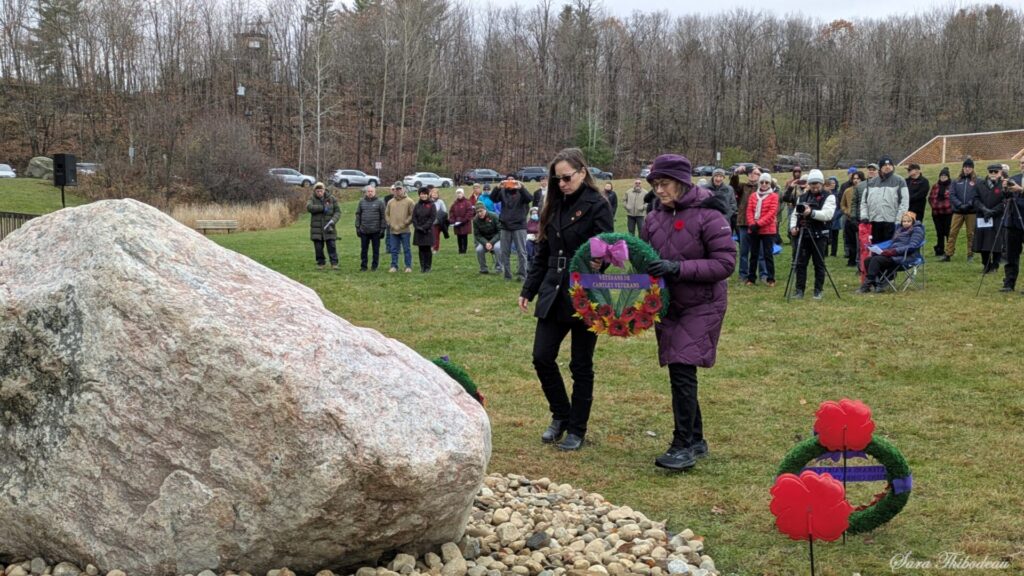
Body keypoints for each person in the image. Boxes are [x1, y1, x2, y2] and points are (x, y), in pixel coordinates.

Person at [641, 153, 735, 471]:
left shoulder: (710, 214)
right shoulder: (653, 218)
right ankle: (696, 438)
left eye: (664, 183)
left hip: (703, 304)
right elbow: (644, 257)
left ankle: (682, 446)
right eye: (655, 184)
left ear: (682, 182)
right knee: (679, 371)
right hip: (669, 305)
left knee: (682, 367)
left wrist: (676, 268)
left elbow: (725, 263)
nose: (659, 190)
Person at [519, 148, 613, 452]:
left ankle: (577, 428)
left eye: (567, 177)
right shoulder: (553, 204)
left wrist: (600, 262)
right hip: (552, 289)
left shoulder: (598, 205)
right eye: (557, 179)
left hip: (585, 292)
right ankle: (561, 414)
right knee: (542, 356)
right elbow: (542, 250)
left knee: (580, 364)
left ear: (582, 173)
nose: (561, 183)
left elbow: (607, 247)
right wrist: (529, 289)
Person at [789, 169, 836, 300]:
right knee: (800, 263)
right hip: (803, 234)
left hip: (819, 234)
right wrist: (793, 227)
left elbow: (828, 215)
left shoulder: (829, 196)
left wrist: (811, 213)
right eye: (812, 183)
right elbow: (795, 214)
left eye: (817, 183)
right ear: (809, 183)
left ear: (821, 183)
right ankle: (799, 290)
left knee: (819, 263)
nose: (815, 186)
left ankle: (818, 290)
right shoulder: (802, 197)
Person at [858, 212, 925, 293]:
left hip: (906, 257)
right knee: (868, 260)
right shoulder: (899, 229)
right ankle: (878, 284)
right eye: (904, 221)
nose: (906, 223)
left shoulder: (917, 230)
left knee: (876, 260)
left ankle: (867, 285)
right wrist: (880, 249)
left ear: (913, 222)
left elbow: (912, 246)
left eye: (908, 221)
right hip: (893, 254)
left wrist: (893, 251)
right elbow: (892, 243)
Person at [490, 176, 534, 281]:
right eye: (508, 180)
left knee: (521, 252)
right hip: (505, 226)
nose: (510, 183)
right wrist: (497, 187)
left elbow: (530, 199)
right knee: (504, 252)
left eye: (512, 180)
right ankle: (507, 275)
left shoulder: (521, 192)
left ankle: (522, 274)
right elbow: (492, 198)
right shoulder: (503, 191)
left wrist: (521, 187)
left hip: (519, 226)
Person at [859, 155, 909, 245]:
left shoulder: (900, 181)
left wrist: (898, 220)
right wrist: (864, 216)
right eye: (885, 165)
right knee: (875, 248)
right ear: (880, 168)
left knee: (889, 248)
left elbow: (904, 202)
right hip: (873, 221)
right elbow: (864, 202)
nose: (887, 167)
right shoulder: (871, 182)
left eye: (890, 165)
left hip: (891, 221)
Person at [730, 166, 766, 282]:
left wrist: (762, 177)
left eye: (756, 173)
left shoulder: (763, 187)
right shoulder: (742, 187)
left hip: (759, 224)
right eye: (750, 173)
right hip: (744, 223)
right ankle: (743, 275)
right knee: (744, 251)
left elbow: (774, 188)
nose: (752, 175)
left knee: (761, 252)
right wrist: (736, 173)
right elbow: (733, 184)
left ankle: (763, 275)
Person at [745, 172, 778, 287]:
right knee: (753, 254)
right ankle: (751, 278)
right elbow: (749, 210)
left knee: (768, 255)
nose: (764, 184)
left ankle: (771, 278)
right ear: (759, 183)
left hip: (768, 230)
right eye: (762, 182)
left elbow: (771, 213)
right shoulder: (753, 195)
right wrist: (751, 223)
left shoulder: (774, 196)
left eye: (766, 182)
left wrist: (758, 224)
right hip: (754, 229)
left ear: (770, 183)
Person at [973, 164, 1008, 274]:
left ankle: (995, 265)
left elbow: (1005, 201)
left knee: (996, 242)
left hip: (997, 217)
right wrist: (984, 209)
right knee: (983, 242)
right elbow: (975, 199)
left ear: (1000, 172)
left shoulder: (1004, 185)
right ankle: (986, 265)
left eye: (995, 171)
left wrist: (993, 211)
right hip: (983, 217)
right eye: (991, 171)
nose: (993, 174)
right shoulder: (980, 184)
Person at [945, 158, 979, 262]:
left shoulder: (977, 181)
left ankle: (970, 254)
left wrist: (969, 204)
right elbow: (952, 195)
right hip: (958, 211)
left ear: (972, 168)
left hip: (971, 212)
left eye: (969, 167)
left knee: (971, 234)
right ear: (963, 168)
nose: (967, 169)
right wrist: (960, 205)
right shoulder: (956, 181)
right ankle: (948, 254)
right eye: (965, 167)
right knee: (952, 233)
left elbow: (977, 195)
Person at [1000, 159, 1024, 292]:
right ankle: (1009, 283)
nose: (1023, 165)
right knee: (1011, 255)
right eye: (1021, 162)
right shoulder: (1014, 178)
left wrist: (1021, 190)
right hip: (1013, 221)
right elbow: (1006, 197)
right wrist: (1005, 189)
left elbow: (1019, 192)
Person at [306, 182, 340, 269]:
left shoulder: (332, 199)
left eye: (321, 191)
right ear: (315, 191)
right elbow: (309, 207)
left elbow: (337, 212)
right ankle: (321, 263)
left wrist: (333, 220)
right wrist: (322, 208)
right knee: (318, 247)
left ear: (324, 190)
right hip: (316, 229)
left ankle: (334, 263)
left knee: (331, 246)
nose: (319, 193)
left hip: (329, 227)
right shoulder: (311, 199)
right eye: (317, 191)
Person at [355, 184, 386, 271]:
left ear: (375, 192)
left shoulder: (380, 202)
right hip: (364, 230)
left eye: (371, 191)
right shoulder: (361, 202)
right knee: (364, 250)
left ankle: (374, 266)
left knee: (375, 250)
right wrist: (357, 227)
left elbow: (383, 216)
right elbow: (358, 214)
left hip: (376, 231)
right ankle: (363, 266)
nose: (370, 193)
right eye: (368, 191)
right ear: (365, 192)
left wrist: (383, 228)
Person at [385, 183, 415, 273]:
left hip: (405, 230)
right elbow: (386, 214)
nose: (398, 191)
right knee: (393, 250)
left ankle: (408, 266)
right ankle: (394, 266)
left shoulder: (410, 201)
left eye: (399, 189)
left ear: (403, 189)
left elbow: (412, 215)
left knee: (406, 249)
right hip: (393, 230)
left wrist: (405, 223)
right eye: (396, 189)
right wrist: (390, 223)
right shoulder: (390, 202)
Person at [928, 167, 953, 257]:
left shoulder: (951, 186)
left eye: (945, 176)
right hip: (936, 214)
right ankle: (940, 249)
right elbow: (930, 198)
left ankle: (949, 250)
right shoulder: (935, 186)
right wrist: (934, 206)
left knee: (947, 232)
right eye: (941, 176)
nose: (943, 177)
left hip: (948, 213)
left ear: (948, 177)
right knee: (939, 232)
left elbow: (953, 198)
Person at [839, 168, 861, 266]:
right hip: (849, 219)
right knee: (850, 241)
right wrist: (846, 211)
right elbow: (842, 204)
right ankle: (851, 260)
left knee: (860, 241)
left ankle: (860, 260)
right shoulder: (847, 191)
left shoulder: (865, 190)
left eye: (858, 178)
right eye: (854, 178)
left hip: (861, 219)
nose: (856, 180)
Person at [412, 187, 437, 272]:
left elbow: (432, 218)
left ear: (428, 194)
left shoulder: (432, 205)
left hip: (428, 231)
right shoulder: (417, 205)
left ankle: (428, 267)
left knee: (427, 249)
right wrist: (417, 227)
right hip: (419, 230)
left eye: (425, 194)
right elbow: (414, 217)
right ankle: (422, 267)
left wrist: (424, 227)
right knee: (421, 249)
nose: (423, 196)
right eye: (421, 194)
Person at [473, 201, 502, 274]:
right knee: (479, 250)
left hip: (496, 239)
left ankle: (499, 268)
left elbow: (500, 232)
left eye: (481, 211)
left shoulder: (494, 216)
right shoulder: (475, 220)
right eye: (477, 212)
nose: (479, 213)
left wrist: (491, 242)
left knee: (497, 248)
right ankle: (483, 269)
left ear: (485, 209)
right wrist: (486, 243)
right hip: (485, 241)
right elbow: (477, 235)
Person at [449, 188, 476, 254]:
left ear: (463, 194)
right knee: (459, 237)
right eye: (458, 193)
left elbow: (469, 212)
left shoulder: (467, 202)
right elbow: (451, 212)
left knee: (464, 237)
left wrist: (463, 220)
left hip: (465, 223)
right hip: (457, 223)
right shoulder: (454, 203)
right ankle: (460, 249)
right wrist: (452, 220)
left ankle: (464, 250)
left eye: (460, 193)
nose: (459, 194)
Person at [826, 177, 843, 257]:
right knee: (825, 236)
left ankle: (833, 253)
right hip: (826, 217)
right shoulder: (825, 193)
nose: (832, 185)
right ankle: (825, 252)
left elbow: (841, 207)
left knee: (835, 237)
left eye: (833, 183)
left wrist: (836, 216)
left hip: (836, 218)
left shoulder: (838, 194)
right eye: (830, 183)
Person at [430, 187, 447, 253]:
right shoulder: (428, 201)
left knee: (436, 236)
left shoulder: (440, 202)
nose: (434, 194)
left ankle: (435, 248)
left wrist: (438, 218)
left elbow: (444, 211)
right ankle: (430, 247)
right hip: (429, 222)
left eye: (435, 193)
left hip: (437, 222)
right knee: (429, 235)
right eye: (433, 193)